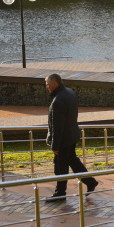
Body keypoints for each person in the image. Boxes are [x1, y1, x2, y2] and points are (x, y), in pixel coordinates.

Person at [45, 73, 97, 201]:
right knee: (72, 161)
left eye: (47, 84)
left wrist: (55, 146)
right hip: (72, 135)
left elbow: (58, 126)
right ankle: (90, 182)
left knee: (60, 167)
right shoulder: (69, 92)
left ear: (54, 84)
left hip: (63, 140)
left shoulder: (58, 101)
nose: (46, 86)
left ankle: (60, 193)